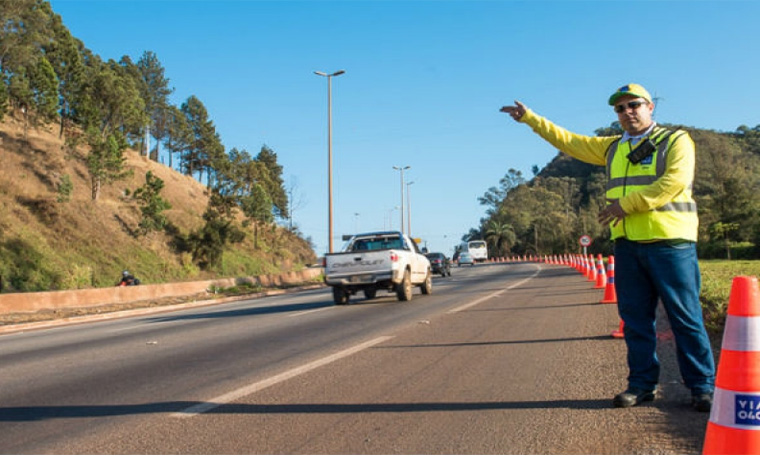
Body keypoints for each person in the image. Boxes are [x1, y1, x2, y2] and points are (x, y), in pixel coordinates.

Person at [500, 84, 715, 412]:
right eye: (620, 108)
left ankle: (702, 386)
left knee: (684, 316)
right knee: (635, 319)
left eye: (634, 105)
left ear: (650, 107)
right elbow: (570, 141)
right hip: (628, 244)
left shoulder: (675, 140)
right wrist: (531, 119)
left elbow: (673, 182)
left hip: (670, 242)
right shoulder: (613, 148)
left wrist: (626, 205)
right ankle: (642, 385)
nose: (627, 112)